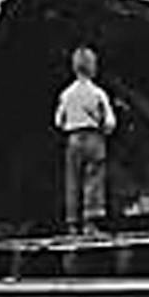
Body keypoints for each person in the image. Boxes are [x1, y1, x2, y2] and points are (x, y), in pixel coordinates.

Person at [53, 45, 117, 234]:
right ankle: (91, 222)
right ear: (93, 67)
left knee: (72, 180)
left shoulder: (66, 94)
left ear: (74, 67)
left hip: (73, 138)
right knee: (93, 179)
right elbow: (110, 122)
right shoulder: (98, 93)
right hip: (94, 138)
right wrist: (104, 129)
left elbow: (58, 121)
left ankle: (72, 223)